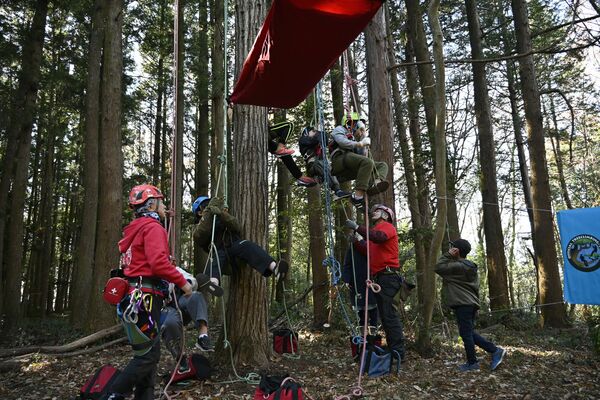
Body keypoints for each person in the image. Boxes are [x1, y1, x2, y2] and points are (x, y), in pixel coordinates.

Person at [105, 184, 193, 400]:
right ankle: (112, 395)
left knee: (148, 354)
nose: (164, 207)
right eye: (161, 202)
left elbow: (147, 262)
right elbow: (158, 264)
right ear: (152, 204)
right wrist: (183, 283)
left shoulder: (134, 230)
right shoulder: (153, 228)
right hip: (144, 300)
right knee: (148, 356)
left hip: (135, 299)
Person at [435, 238, 506, 372]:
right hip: (470, 304)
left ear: (456, 251)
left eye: (452, 248)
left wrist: (448, 255)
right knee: (468, 332)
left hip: (463, 303)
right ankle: (494, 351)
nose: (450, 249)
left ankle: (475, 361)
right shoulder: (470, 266)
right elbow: (475, 288)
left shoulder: (457, 267)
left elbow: (438, 267)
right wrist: (476, 305)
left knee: (466, 334)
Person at [345, 204, 405, 360]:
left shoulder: (387, 227)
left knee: (389, 316)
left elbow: (379, 237)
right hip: (380, 278)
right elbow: (368, 250)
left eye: (377, 211)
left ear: (386, 215)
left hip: (388, 277)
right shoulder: (376, 233)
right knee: (385, 316)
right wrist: (356, 241)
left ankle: (398, 352)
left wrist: (357, 227)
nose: (373, 213)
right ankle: (393, 350)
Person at [191, 196, 289, 286]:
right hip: (221, 259)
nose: (209, 207)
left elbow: (236, 226)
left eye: (210, 205)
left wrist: (221, 214)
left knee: (246, 245)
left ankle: (275, 268)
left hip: (235, 253)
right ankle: (213, 282)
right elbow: (199, 235)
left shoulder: (220, 219)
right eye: (206, 206)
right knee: (217, 255)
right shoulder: (198, 228)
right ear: (199, 213)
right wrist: (208, 213)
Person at [161, 266, 222, 373]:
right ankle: (181, 359)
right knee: (170, 323)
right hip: (165, 310)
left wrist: (186, 283)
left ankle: (203, 337)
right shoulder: (148, 274)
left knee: (196, 296)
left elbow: (192, 281)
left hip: (181, 303)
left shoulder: (174, 268)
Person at [330, 112, 389, 210]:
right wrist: (360, 144)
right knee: (367, 162)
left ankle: (375, 183)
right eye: (359, 128)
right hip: (340, 160)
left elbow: (362, 156)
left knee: (382, 165)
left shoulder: (355, 139)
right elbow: (342, 142)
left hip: (350, 166)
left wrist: (363, 141)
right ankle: (357, 197)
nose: (360, 132)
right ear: (353, 124)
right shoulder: (340, 129)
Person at [299, 126, 351, 201]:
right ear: (306, 133)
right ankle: (337, 191)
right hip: (314, 163)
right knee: (327, 171)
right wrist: (318, 134)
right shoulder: (303, 139)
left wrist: (322, 134)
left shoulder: (315, 138)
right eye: (313, 131)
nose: (315, 132)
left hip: (318, 162)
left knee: (331, 171)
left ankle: (336, 190)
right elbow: (313, 141)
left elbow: (325, 141)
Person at [341, 237, 378, 328]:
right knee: (360, 307)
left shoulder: (370, 245)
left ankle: (373, 329)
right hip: (356, 281)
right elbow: (347, 265)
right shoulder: (352, 248)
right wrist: (347, 280)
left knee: (372, 306)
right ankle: (362, 329)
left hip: (370, 281)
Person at [269, 121, 317, 187]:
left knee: (285, 155)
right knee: (289, 125)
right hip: (264, 133)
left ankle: (300, 177)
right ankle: (280, 147)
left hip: (266, 141)